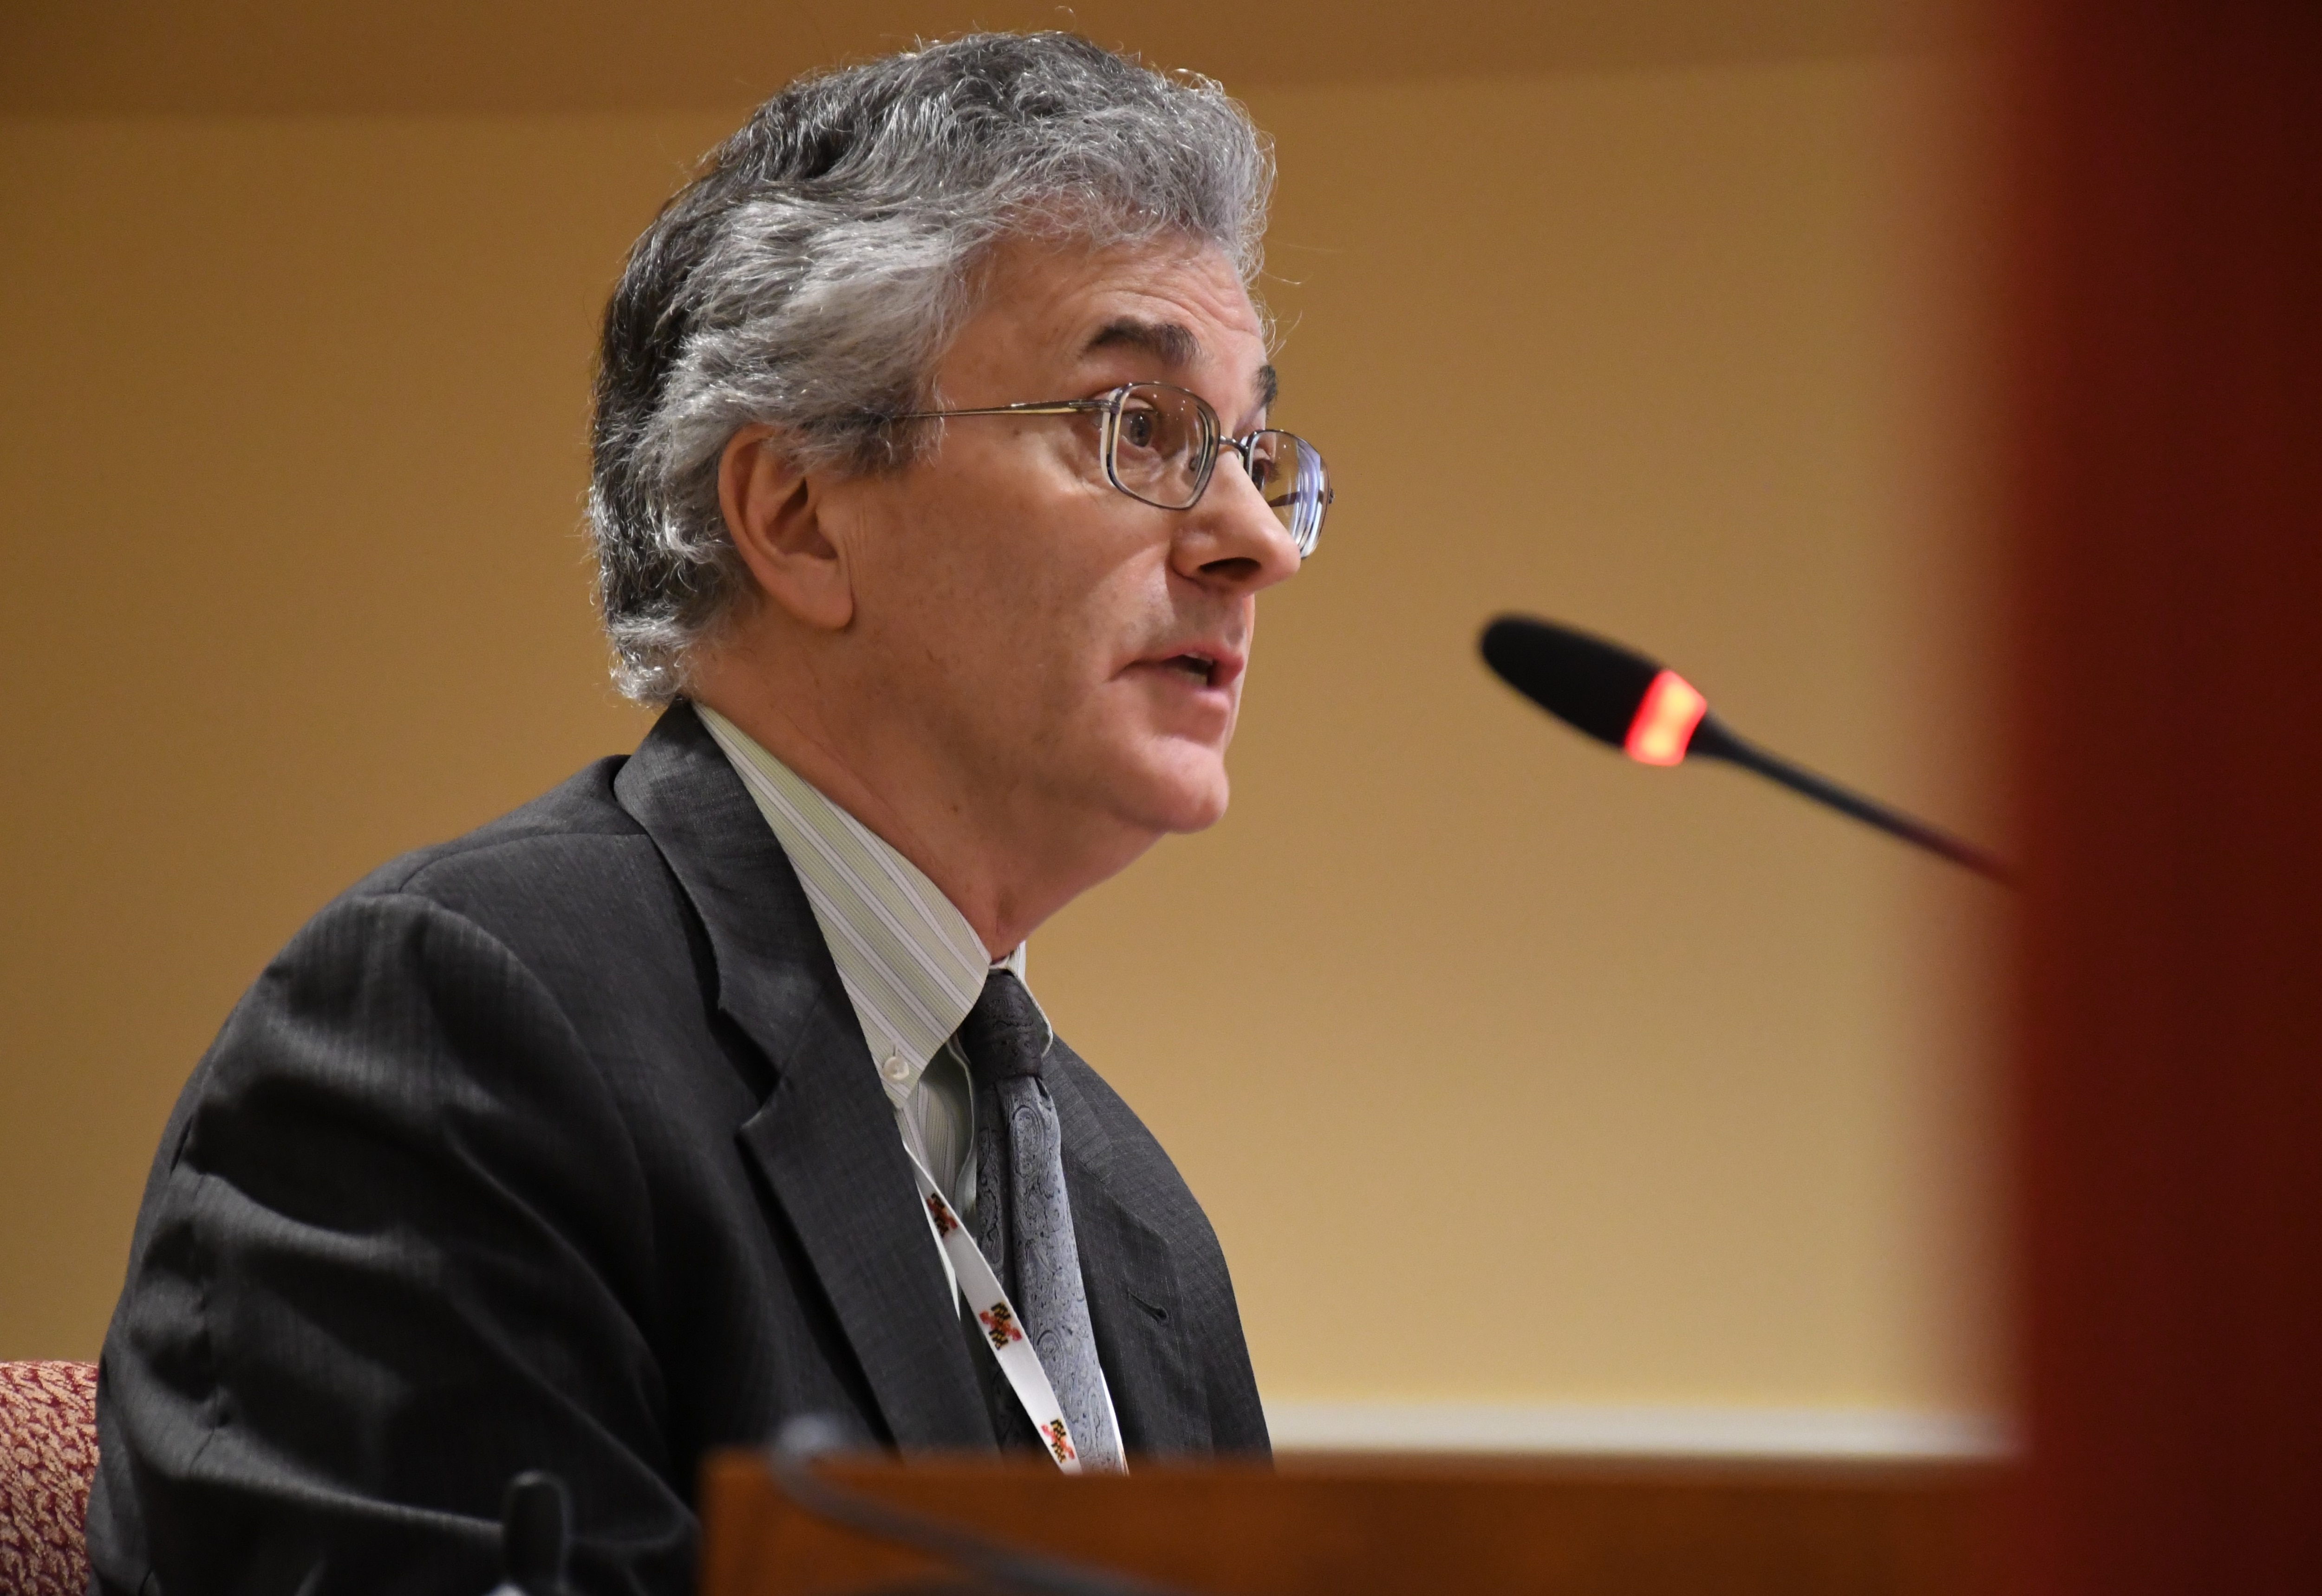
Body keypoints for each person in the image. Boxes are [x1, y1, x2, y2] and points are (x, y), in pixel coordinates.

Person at [85, 32, 1331, 1596]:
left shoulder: (1130, 1221)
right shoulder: (453, 1039)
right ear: (799, 515)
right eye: (1135, 426)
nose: (1249, 541)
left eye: (1250, 450)